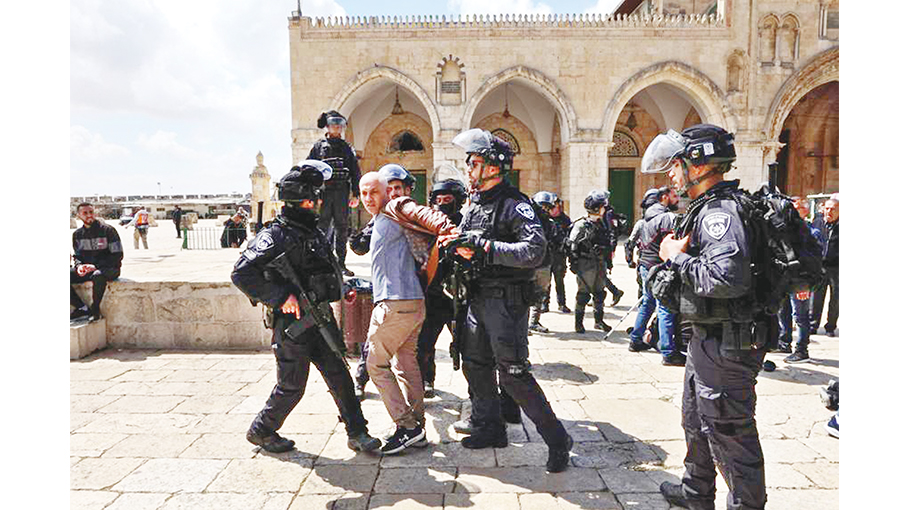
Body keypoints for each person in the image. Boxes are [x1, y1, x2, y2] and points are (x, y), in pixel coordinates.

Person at [642, 124, 768, 510]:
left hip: (729, 341)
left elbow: (726, 279)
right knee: (696, 420)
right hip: (708, 337)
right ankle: (695, 493)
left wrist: (674, 256)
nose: (671, 174)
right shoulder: (705, 207)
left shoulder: (719, 213)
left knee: (729, 431)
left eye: (676, 165)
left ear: (696, 165)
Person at [231, 160, 381, 454]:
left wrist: (343, 290)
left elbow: (327, 270)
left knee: (340, 377)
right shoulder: (273, 236)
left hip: (320, 317)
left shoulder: (312, 232)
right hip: (293, 325)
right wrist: (279, 297)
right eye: (313, 198)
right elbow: (241, 273)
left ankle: (357, 432)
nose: (318, 203)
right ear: (301, 200)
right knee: (292, 387)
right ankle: (262, 430)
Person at [447, 128, 573, 473]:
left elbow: (534, 251)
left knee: (514, 375)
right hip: (476, 298)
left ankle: (558, 439)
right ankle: (490, 428)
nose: (469, 169)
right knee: (475, 363)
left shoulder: (515, 204)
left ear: (492, 166)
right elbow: (470, 245)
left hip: (505, 303)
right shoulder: (475, 204)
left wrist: (484, 247)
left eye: (473, 163)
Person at [359, 169, 458, 455]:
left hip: (395, 303)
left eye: (374, 191)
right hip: (412, 303)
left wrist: (448, 230)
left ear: (387, 191)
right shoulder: (380, 220)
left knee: (374, 365)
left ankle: (406, 426)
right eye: (363, 193)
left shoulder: (394, 206)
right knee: (406, 364)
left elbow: (421, 212)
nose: (368, 198)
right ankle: (418, 428)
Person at [349, 164, 416, 400]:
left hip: (412, 292)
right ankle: (360, 380)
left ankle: (413, 411)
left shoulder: (410, 211)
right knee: (374, 347)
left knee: (410, 356)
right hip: (391, 295)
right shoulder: (382, 217)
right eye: (391, 189)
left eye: (399, 188)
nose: (395, 193)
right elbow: (358, 246)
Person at [417, 178, 467, 398]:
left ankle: (477, 392)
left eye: (448, 200)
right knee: (424, 345)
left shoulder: (467, 225)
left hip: (461, 297)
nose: (443, 204)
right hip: (434, 296)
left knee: (469, 348)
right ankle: (426, 381)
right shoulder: (428, 227)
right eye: (439, 200)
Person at [628, 186, 686, 366]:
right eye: (674, 196)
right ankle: (669, 352)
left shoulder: (646, 219)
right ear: (664, 197)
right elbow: (675, 244)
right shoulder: (667, 218)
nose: (677, 199)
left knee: (648, 302)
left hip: (645, 266)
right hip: (659, 269)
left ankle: (636, 340)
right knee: (665, 307)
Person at [309, 110, 361, 276]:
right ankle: (322, 263)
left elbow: (354, 170)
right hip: (324, 193)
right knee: (322, 228)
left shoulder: (347, 148)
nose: (337, 127)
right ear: (328, 126)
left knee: (342, 228)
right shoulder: (318, 147)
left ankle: (341, 264)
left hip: (341, 192)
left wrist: (356, 193)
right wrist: (313, 195)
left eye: (339, 125)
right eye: (333, 124)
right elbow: (310, 169)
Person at [774, 197, 821, 363]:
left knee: (800, 317)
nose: (793, 209)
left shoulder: (809, 231)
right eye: (792, 206)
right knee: (783, 312)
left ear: (806, 211)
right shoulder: (786, 230)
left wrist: (805, 285)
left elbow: (813, 261)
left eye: (798, 207)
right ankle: (784, 342)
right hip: (786, 280)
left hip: (800, 281)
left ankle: (802, 350)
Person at [566, 190, 617, 334]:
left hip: (600, 264)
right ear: (596, 208)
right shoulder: (581, 225)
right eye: (602, 206)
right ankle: (579, 324)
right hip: (585, 264)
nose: (604, 209)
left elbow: (607, 243)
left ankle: (599, 321)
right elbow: (571, 244)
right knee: (583, 294)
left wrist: (608, 260)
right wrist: (574, 263)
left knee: (600, 293)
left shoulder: (602, 223)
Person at [71, 202, 123, 322]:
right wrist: (79, 266)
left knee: (98, 275)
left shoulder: (108, 230)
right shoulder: (77, 235)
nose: (89, 215)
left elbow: (117, 255)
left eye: (91, 212)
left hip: (109, 268)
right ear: (78, 215)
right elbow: (78, 255)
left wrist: (95, 266)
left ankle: (95, 309)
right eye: (85, 213)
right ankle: (82, 308)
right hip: (89, 269)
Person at [528, 191, 559, 333]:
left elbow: (554, 240)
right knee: (523, 295)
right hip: (528, 263)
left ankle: (534, 322)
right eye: (543, 207)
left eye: (547, 207)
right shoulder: (527, 221)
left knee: (540, 294)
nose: (545, 210)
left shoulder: (550, 223)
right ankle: (522, 325)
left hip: (544, 262)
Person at [809, 195, 839, 338]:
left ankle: (830, 327)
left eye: (833, 209)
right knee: (816, 297)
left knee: (835, 299)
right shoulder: (817, 223)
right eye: (827, 208)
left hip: (836, 268)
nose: (829, 211)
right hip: (819, 266)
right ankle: (813, 325)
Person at [624, 188, 662, 298]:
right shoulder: (641, 223)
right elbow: (629, 244)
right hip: (650, 262)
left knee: (646, 293)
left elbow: (629, 244)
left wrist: (630, 260)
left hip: (651, 262)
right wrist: (629, 259)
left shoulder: (643, 223)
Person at [544, 196, 572, 314]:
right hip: (547, 255)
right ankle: (544, 304)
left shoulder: (565, 219)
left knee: (559, 281)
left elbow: (570, 235)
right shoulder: (545, 220)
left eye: (557, 207)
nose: (556, 210)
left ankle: (562, 303)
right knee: (546, 281)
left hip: (559, 255)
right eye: (553, 208)